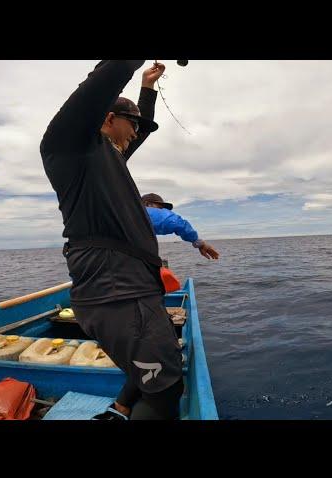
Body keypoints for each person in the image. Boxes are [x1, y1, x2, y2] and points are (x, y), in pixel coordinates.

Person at [40, 60, 183, 420]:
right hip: (117, 292)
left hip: (132, 288)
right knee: (165, 389)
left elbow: (139, 132)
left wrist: (148, 89)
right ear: (106, 119)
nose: (136, 133)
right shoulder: (70, 148)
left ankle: (119, 410)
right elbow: (103, 80)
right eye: (131, 124)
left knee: (158, 374)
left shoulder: (110, 159)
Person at [141, 193, 220, 260]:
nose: (163, 211)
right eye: (160, 208)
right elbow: (175, 222)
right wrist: (199, 243)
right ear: (148, 204)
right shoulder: (140, 210)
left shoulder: (134, 219)